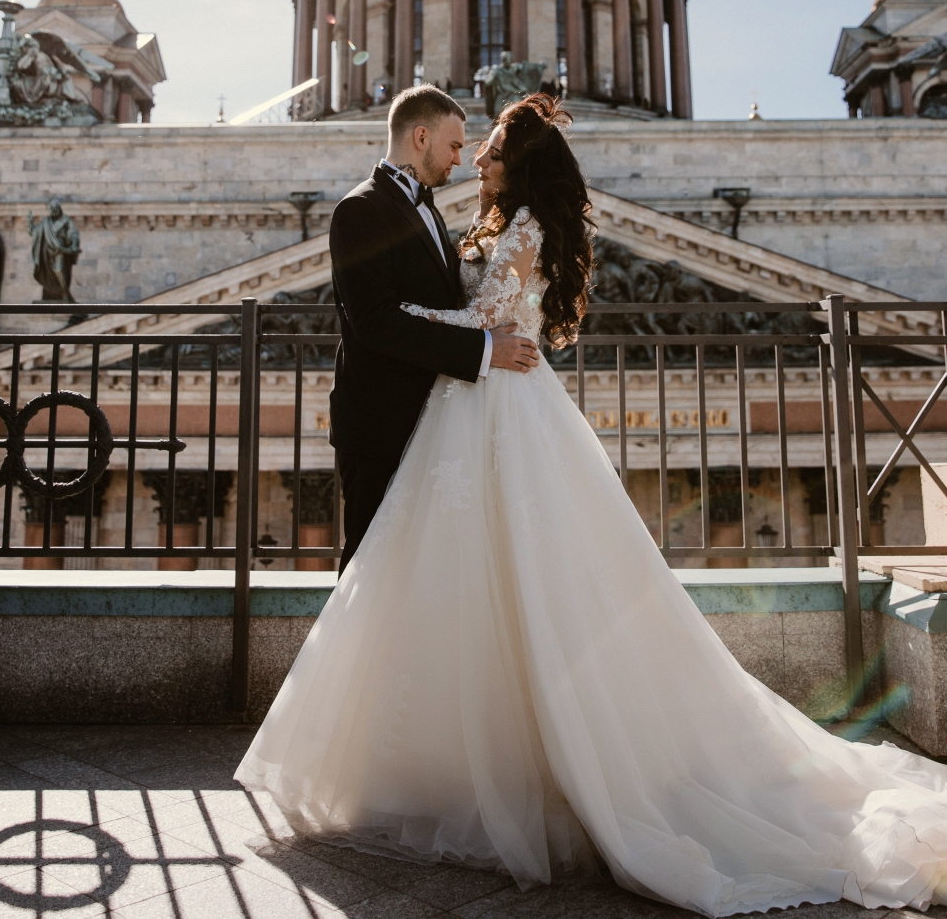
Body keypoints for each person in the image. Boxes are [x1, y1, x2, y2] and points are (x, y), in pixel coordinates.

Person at [238, 95, 947, 912]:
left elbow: (479, 317)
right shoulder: (402, 210)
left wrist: (468, 337)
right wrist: (470, 340)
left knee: (506, 589)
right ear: (424, 135)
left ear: (514, 159)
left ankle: (504, 767)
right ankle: (466, 765)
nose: (474, 160)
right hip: (468, 409)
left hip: (490, 411)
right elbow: (405, 319)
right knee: (493, 589)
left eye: (489, 149)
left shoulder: (517, 225)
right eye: (467, 145)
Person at [325, 84, 539, 573]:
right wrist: (487, 351)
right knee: (370, 566)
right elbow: (375, 323)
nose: (462, 160)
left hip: (434, 422)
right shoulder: (360, 209)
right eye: (456, 145)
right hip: (380, 422)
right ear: (421, 136)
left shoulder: (426, 208)